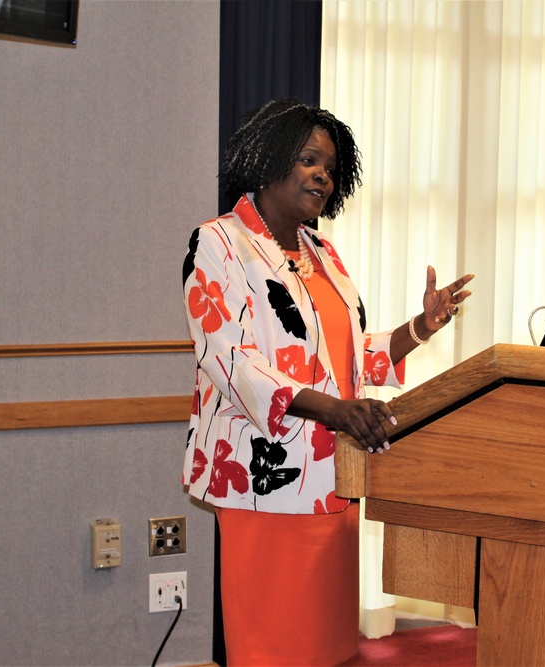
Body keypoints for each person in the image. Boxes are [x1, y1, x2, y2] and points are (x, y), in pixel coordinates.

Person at [181, 98, 474, 666]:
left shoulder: (322, 253)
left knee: (327, 649)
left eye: (331, 168)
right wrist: (335, 410)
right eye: (309, 159)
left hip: (333, 476)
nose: (322, 175)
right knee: (274, 647)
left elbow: (346, 360)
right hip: (262, 480)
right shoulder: (217, 244)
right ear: (269, 161)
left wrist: (419, 328)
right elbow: (230, 361)